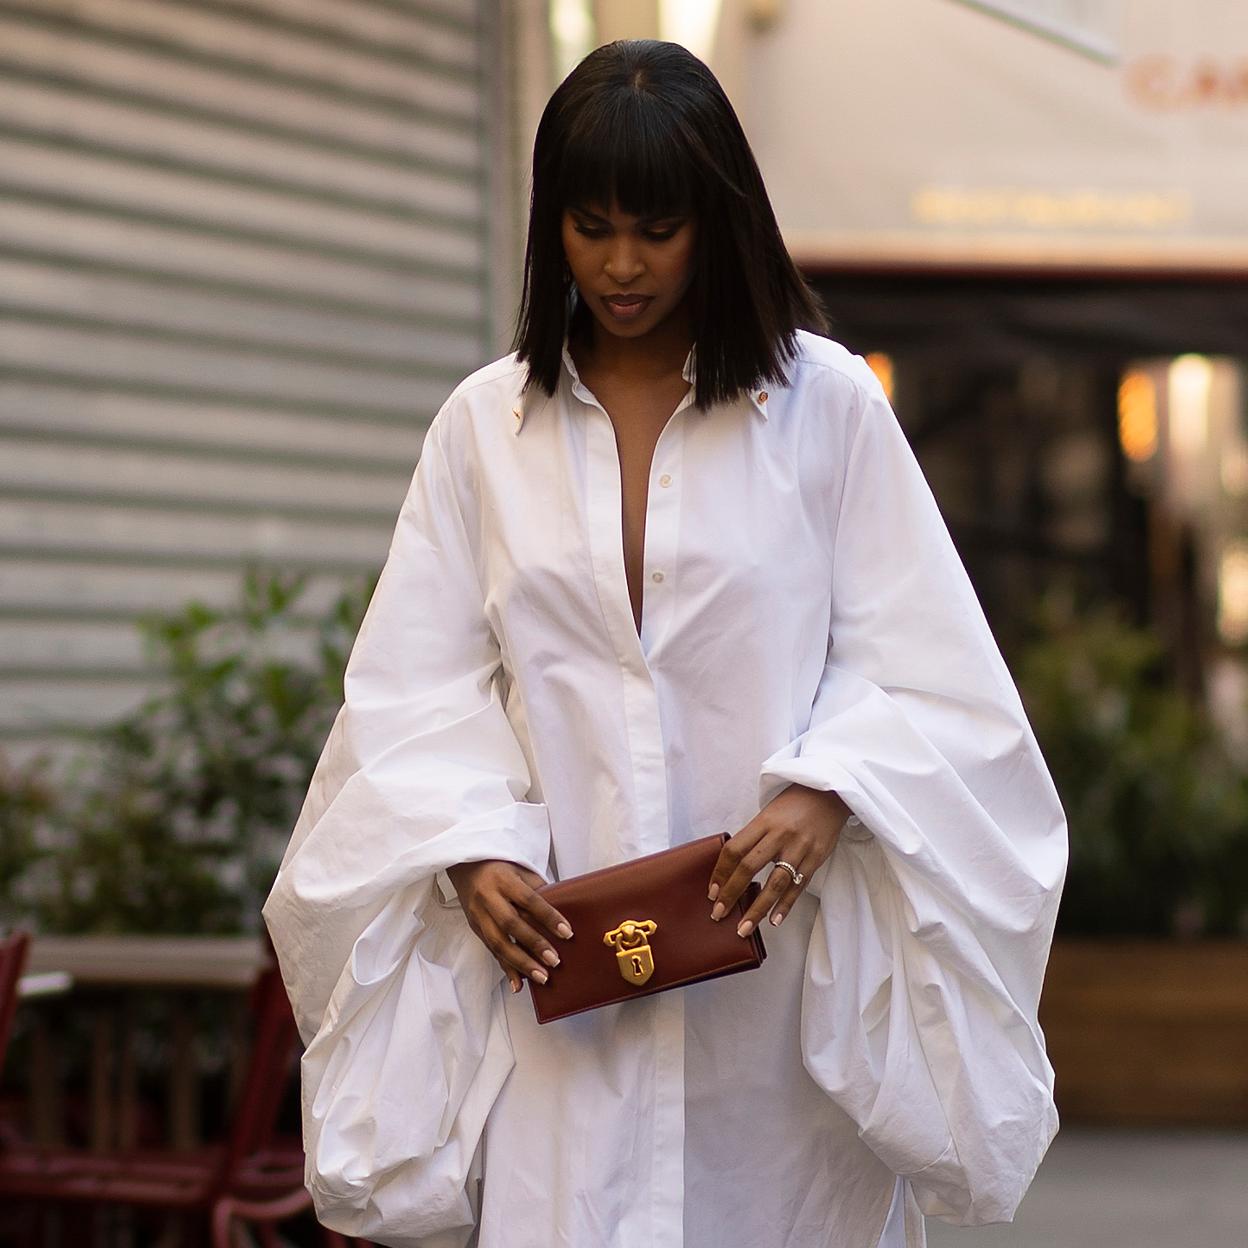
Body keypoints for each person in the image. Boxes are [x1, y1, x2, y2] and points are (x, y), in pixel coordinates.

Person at [262, 39, 1067, 1248]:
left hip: (779, 1009)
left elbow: (936, 672)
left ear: (719, 222)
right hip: (561, 997)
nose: (623, 265)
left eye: (658, 228)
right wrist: (471, 852)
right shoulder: (484, 429)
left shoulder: (827, 408)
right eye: (590, 229)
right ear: (550, 228)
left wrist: (831, 790)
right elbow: (410, 691)